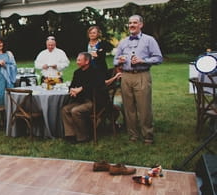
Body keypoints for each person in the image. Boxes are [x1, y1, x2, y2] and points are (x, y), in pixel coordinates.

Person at [113, 14, 163, 144]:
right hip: (126, 76)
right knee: (128, 107)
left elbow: (158, 58)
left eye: (135, 23)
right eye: (130, 23)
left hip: (142, 75)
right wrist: (119, 60)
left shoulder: (149, 40)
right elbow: (114, 59)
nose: (132, 25)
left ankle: (148, 135)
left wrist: (143, 60)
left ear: (141, 25)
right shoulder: (123, 42)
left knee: (144, 107)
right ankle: (133, 135)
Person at [61, 52, 107, 143]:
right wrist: (72, 90)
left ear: (87, 61)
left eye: (79, 60)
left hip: (93, 101)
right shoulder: (77, 72)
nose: (77, 62)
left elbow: (96, 85)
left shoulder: (96, 72)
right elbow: (72, 85)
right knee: (65, 110)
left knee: (75, 111)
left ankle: (83, 136)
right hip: (80, 100)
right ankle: (70, 135)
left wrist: (82, 89)